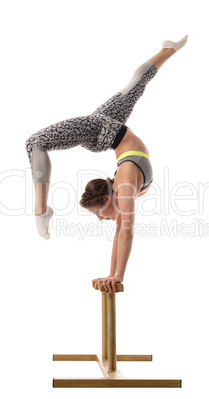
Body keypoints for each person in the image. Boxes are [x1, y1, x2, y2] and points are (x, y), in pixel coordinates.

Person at [25, 35, 188, 291]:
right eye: (98, 214)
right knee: (35, 143)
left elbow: (122, 231)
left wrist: (116, 275)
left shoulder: (123, 187)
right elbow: (124, 232)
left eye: (98, 215)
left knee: (135, 86)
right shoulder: (123, 188)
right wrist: (116, 275)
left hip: (104, 131)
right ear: (106, 200)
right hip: (104, 130)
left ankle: (169, 49)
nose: (101, 219)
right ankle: (40, 211)